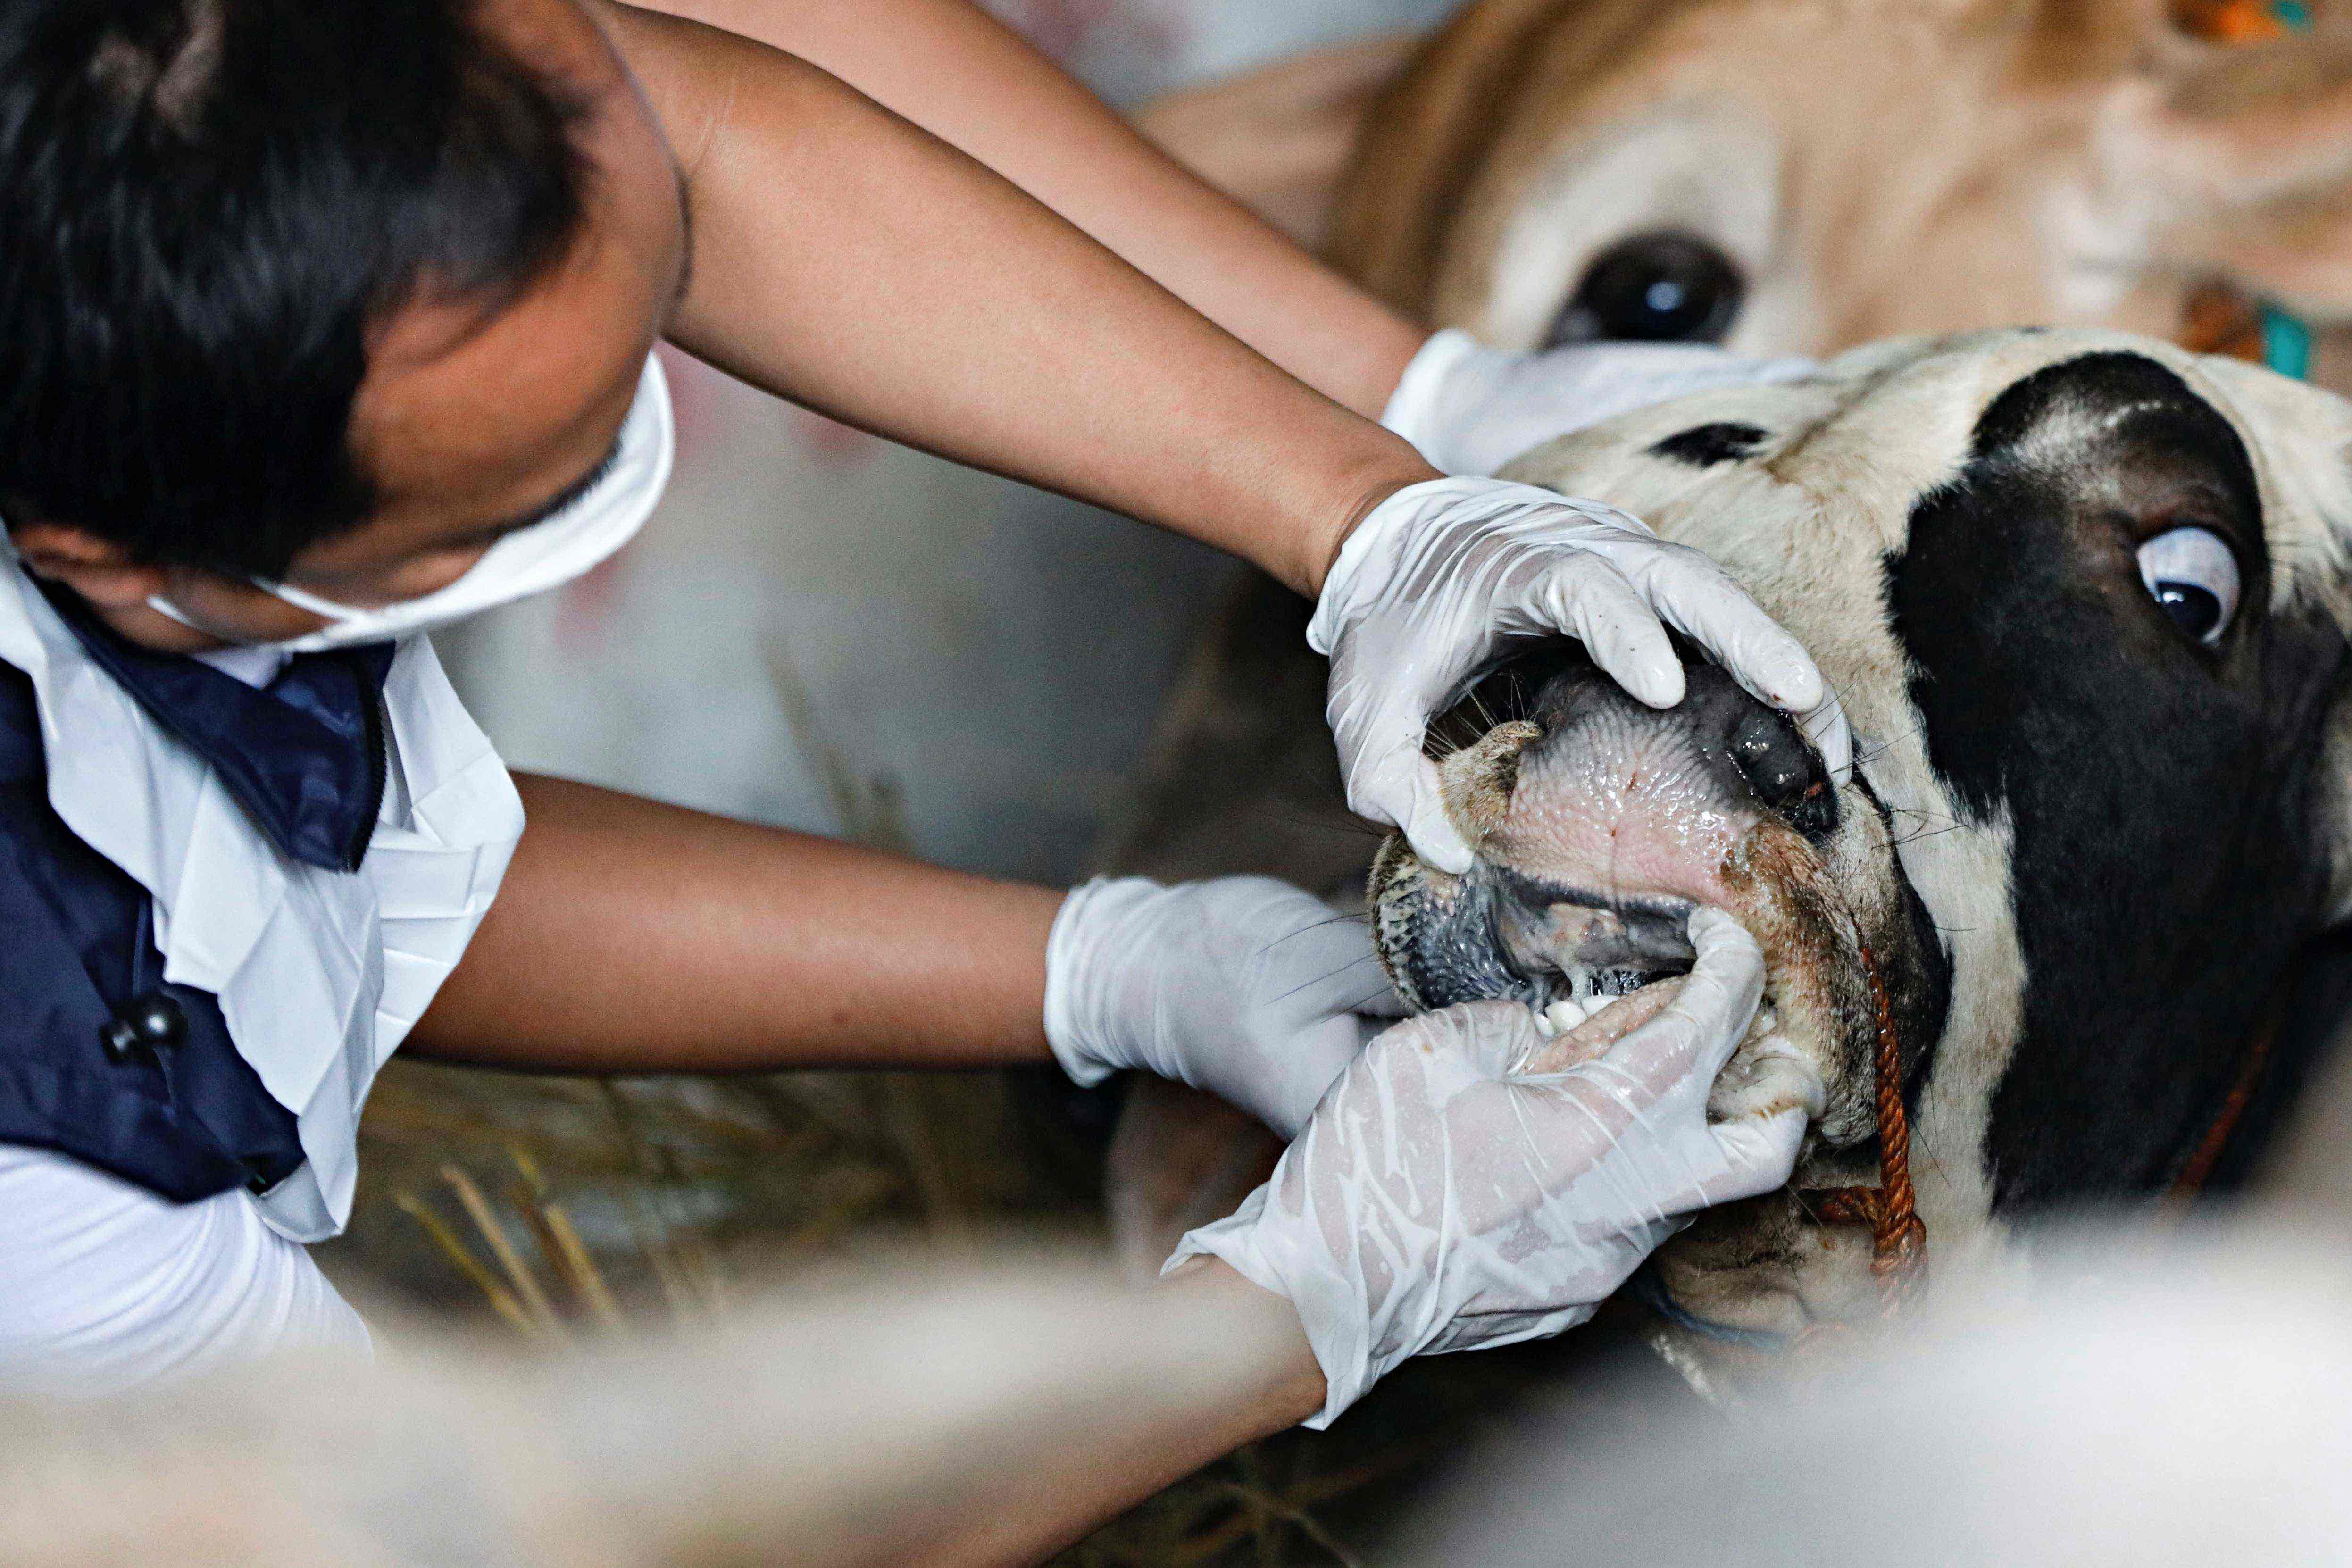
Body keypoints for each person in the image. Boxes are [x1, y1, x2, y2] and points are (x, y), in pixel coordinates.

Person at [0, 0, 1828, 1503]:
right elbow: (481, 1547)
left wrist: (1381, 495)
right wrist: (1298, 1304)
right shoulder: (45, 1219)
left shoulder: (160, 88)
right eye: (527, 486)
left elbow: (342, 896)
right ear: (115, 563)